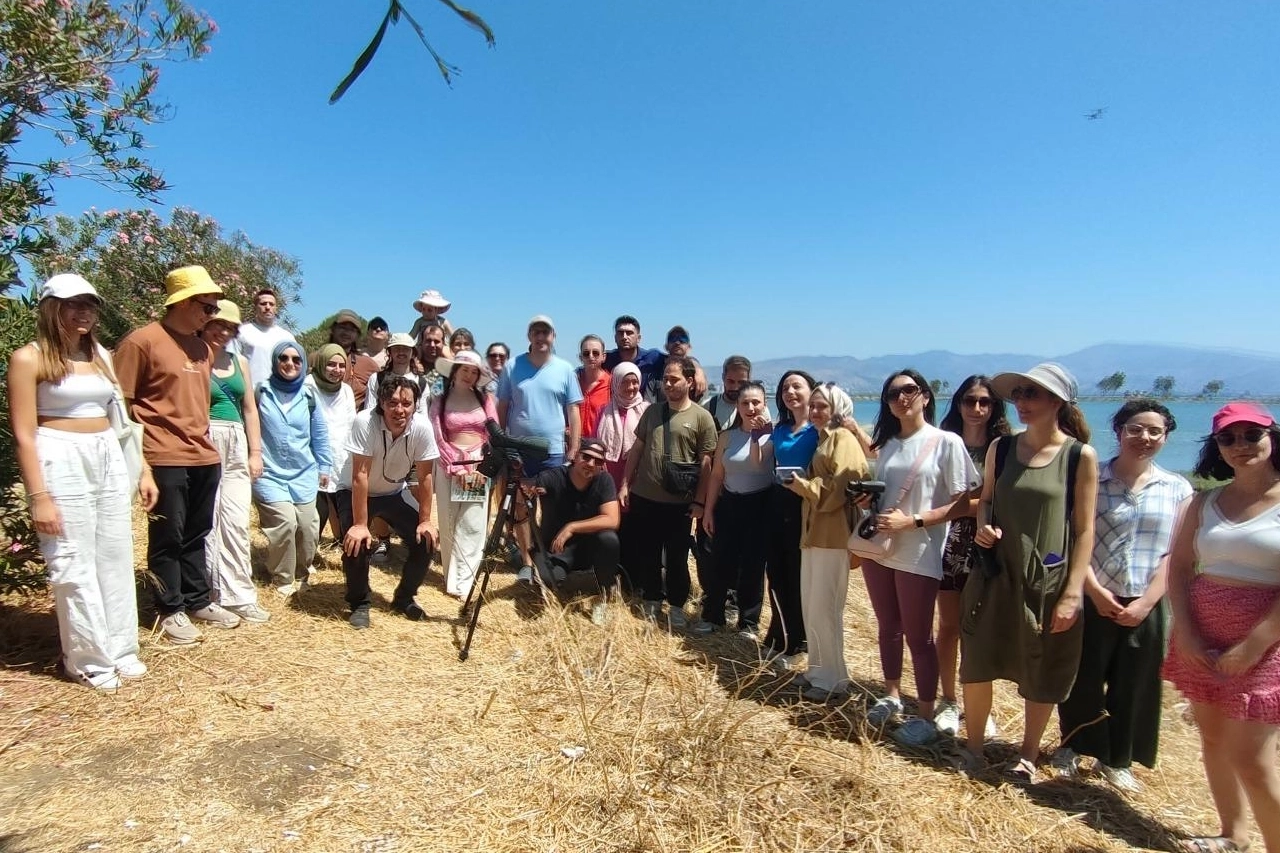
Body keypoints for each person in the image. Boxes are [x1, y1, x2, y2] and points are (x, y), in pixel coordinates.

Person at [8, 274, 157, 689]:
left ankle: (121, 649)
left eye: (89, 304)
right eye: (73, 304)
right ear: (51, 308)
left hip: (107, 454)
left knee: (114, 553)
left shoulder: (103, 356)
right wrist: (39, 496)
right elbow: (24, 434)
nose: (83, 312)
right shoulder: (29, 358)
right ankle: (87, 660)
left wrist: (142, 470)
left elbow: (121, 421)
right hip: (60, 456)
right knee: (73, 559)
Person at [960, 362, 1099, 783]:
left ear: (1058, 401)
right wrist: (983, 526)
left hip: (1046, 580)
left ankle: (1027, 755)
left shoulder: (1079, 456)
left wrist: (1073, 593)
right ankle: (974, 748)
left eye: (1032, 394)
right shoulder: (1001, 448)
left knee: (1042, 665)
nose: (1021, 402)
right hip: (995, 573)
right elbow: (986, 500)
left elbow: (1084, 529)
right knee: (977, 658)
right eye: (1019, 393)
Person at [1052, 399, 1192, 792]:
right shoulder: (1092, 477)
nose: (1144, 437)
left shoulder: (1177, 488)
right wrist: (1094, 591)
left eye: (1154, 431)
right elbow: (1073, 536)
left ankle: (1117, 760)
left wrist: (1147, 603)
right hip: (1092, 592)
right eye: (1135, 429)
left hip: (1146, 599)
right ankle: (1073, 746)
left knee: (1135, 682)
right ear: (1118, 432)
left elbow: (1176, 552)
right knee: (1083, 675)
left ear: (1165, 437)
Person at [1162, 402, 1280, 853]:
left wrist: (1253, 645)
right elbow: (1180, 570)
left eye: (1252, 434)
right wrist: (1188, 634)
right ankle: (1234, 834)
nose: (1240, 445)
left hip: (1267, 644)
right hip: (1202, 637)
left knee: (1252, 760)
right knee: (1214, 740)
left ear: (1272, 437)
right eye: (1228, 438)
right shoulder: (1204, 501)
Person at [114, 265, 242, 643]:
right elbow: (121, 405)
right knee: (167, 535)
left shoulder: (202, 349)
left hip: (204, 456)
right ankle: (169, 609)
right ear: (184, 302)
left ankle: (197, 599)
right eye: (208, 307)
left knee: (197, 532)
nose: (212, 315)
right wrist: (141, 466)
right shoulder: (141, 342)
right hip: (162, 455)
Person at [856, 371, 979, 745]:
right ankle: (892, 695)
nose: (901, 398)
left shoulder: (945, 442)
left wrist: (914, 521)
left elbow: (965, 503)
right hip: (881, 548)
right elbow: (887, 492)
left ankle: (925, 714)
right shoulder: (887, 444)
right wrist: (867, 499)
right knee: (887, 627)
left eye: (909, 390)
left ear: (926, 396)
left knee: (919, 636)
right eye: (893, 393)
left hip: (920, 550)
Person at [933, 376, 1010, 737]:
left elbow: (1002, 501)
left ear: (995, 407)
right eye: (969, 400)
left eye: (985, 402)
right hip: (946, 543)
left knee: (978, 630)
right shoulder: (942, 442)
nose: (977, 408)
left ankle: (978, 705)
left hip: (985, 544)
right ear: (958, 403)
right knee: (948, 626)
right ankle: (948, 700)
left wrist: (959, 508)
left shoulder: (1005, 449)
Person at [787, 383, 872, 701]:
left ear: (838, 408)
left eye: (822, 406)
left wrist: (803, 486)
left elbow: (844, 485)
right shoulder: (826, 439)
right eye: (813, 406)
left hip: (832, 534)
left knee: (825, 607)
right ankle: (818, 671)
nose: (815, 411)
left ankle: (833, 679)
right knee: (812, 605)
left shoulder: (843, 439)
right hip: (815, 532)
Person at [618, 357, 717, 626]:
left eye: (674, 379)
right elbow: (637, 450)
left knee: (676, 558)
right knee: (648, 553)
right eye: (665, 379)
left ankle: (676, 606)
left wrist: (700, 501)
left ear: (689, 381)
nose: (668, 384)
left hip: (679, 503)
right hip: (645, 496)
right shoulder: (652, 412)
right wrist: (625, 484)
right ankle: (652, 599)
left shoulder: (702, 417)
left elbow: (706, 463)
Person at [336, 375, 440, 629]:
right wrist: (361, 525)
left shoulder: (422, 427)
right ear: (381, 403)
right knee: (357, 543)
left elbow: (425, 476)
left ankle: (404, 598)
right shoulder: (365, 422)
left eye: (406, 403)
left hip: (393, 492)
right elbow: (360, 475)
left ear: (416, 405)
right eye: (392, 403)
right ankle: (360, 603)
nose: (399, 410)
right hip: (354, 491)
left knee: (425, 541)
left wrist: (426, 520)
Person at [497, 315, 583, 582]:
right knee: (521, 508)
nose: (541, 336)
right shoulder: (512, 367)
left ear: (553, 336)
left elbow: (573, 410)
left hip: (553, 452)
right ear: (529, 336)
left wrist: (574, 448)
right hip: (519, 451)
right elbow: (502, 407)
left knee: (553, 508)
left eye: (545, 332)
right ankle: (526, 562)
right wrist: (502, 443)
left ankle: (550, 560)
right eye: (536, 332)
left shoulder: (565, 369)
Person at [201, 300, 269, 623]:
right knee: (209, 521)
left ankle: (240, 594)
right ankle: (210, 593)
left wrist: (255, 452)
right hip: (206, 437)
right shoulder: (195, 358)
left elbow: (250, 409)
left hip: (236, 439)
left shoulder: (239, 361)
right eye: (219, 324)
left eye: (230, 327)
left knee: (236, 520)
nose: (224, 332)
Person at [253, 341, 333, 596]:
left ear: (304, 364)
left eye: (296, 359)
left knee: (308, 526)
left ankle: (302, 573)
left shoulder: (308, 397)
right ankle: (283, 577)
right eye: (284, 358)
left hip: (303, 473)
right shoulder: (261, 392)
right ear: (275, 361)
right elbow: (249, 428)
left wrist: (324, 466)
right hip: (269, 474)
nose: (290, 364)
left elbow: (319, 434)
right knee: (285, 522)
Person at [699, 380, 774, 638]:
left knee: (753, 565)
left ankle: (748, 622)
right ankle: (712, 616)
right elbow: (716, 476)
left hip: (759, 504)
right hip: (729, 503)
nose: (751, 408)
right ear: (738, 407)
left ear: (765, 404)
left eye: (756, 402)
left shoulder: (773, 436)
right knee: (720, 561)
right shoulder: (727, 436)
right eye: (745, 403)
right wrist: (709, 510)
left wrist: (758, 434)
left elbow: (758, 465)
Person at [526, 437, 622, 625]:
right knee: (547, 580)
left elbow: (612, 519)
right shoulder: (554, 477)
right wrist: (529, 490)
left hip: (588, 548)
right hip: (557, 548)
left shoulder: (604, 480)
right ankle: (578, 580)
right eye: (586, 457)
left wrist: (572, 527)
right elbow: (532, 486)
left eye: (598, 461)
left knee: (609, 539)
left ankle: (602, 597)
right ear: (576, 456)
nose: (591, 464)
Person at [429, 349, 497, 600]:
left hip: (477, 467)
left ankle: (467, 578)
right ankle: (452, 577)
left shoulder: (485, 399)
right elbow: (437, 436)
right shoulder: (440, 401)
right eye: (464, 370)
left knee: (473, 523)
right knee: (449, 520)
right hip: (449, 467)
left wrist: (482, 468)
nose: (468, 375)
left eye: (473, 372)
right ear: (455, 371)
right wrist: (455, 466)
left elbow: (494, 434)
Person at [762, 370, 819, 667]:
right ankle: (778, 634)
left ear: (812, 391)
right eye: (785, 388)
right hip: (777, 502)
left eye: (797, 386)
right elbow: (762, 460)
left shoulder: (819, 430)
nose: (790, 392)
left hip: (805, 505)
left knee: (798, 574)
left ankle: (798, 642)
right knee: (776, 572)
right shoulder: (780, 429)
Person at [305, 344, 357, 549]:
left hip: (342, 456)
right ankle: (306, 555)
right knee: (317, 511)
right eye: (331, 364)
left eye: (341, 365)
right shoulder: (307, 386)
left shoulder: (346, 391)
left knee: (344, 510)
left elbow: (351, 423)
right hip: (313, 455)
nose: (337, 370)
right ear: (320, 364)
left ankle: (348, 551)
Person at [596, 362, 649, 491]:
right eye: (624, 382)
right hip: (608, 471)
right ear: (616, 383)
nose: (630, 387)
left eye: (635, 382)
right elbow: (595, 440)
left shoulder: (647, 410)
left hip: (638, 472)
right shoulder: (603, 410)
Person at [236, 288, 297, 388]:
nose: (268, 307)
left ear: (276, 308)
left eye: (271, 304)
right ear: (255, 307)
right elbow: (233, 364)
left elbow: (296, 367)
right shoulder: (242, 332)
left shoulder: (287, 337)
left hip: (279, 392)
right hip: (249, 392)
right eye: (263, 304)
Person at [703, 355, 770, 431]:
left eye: (741, 382)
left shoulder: (760, 411)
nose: (735, 387)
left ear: (749, 380)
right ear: (723, 378)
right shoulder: (708, 406)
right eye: (731, 381)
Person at [328, 309, 379, 409]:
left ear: (357, 335)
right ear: (333, 329)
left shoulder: (368, 364)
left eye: (352, 330)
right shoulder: (316, 359)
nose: (346, 333)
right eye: (342, 327)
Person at [364, 333, 426, 413]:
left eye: (405, 349)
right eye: (397, 348)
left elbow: (423, 414)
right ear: (390, 352)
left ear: (413, 353)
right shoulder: (376, 379)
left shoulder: (421, 383)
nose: (401, 352)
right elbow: (369, 410)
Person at [577, 334, 611, 439]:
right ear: (581, 357)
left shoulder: (612, 383)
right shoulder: (573, 382)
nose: (591, 357)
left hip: (599, 444)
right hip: (573, 443)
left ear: (603, 357)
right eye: (586, 353)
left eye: (595, 353)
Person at [415, 320, 448, 401]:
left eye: (436, 342)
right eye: (428, 341)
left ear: (443, 343)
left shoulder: (448, 369)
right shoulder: (412, 366)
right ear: (422, 342)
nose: (432, 345)